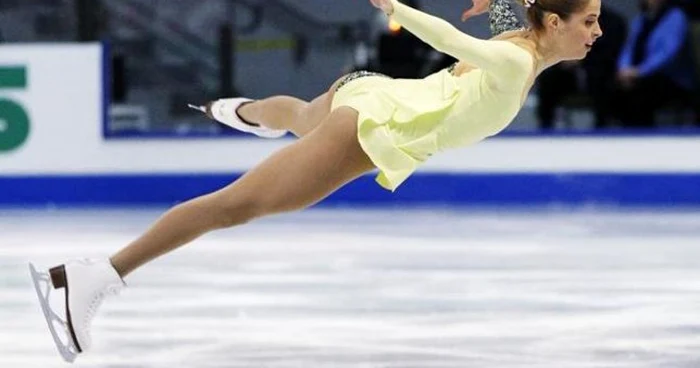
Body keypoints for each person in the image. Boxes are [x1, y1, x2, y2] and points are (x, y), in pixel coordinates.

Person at [29, 0, 602, 362]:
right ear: (554, 22)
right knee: (236, 206)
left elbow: (509, 13)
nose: (598, 31)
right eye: (590, 20)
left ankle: (242, 112)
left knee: (303, 117)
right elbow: (453, 43)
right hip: (374, 127)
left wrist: (499, 1)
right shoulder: (516, 63)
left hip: (372, 92)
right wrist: (398, 8)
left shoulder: (520, 35)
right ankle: (92, 276)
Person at [613, 0, 696, 128]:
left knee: (642, 93)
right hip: (637, 74)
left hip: (669, 77)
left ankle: (642, 134)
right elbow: (629, 47)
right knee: (612, 86)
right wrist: (624, 69)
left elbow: (667, 54)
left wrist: (639, 72)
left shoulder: (676, 16)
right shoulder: (642, 18)